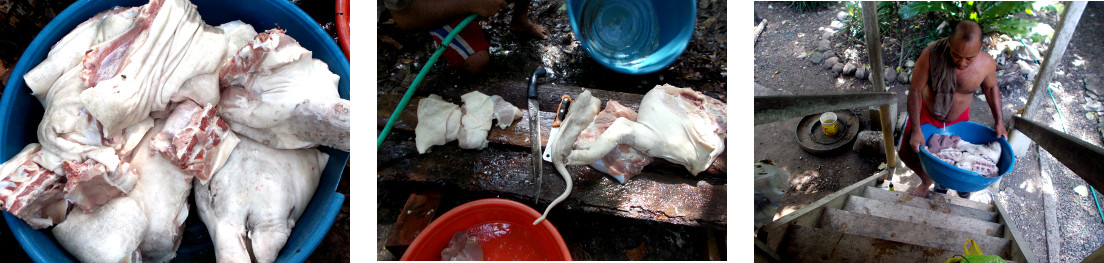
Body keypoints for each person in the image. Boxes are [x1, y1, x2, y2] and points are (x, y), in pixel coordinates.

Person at [900, 20, 1007, 198]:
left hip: (959, 117)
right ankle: (927, 180)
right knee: (907, 150)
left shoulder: (986, 64)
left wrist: (999, 122)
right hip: (927, 111)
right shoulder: (930, 55)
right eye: (956, 55)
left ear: (980, 47)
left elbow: (990, 88)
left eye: (969, 58)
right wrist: (917, 129)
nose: (962, 62)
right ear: (949, 42)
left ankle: (960, 184)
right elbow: (915, 90)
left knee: (958, 155)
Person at [383, 0, 549, 73]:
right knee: (476, 61)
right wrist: (472, 3)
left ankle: (520, 20)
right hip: (423, 5)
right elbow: (406, 18)